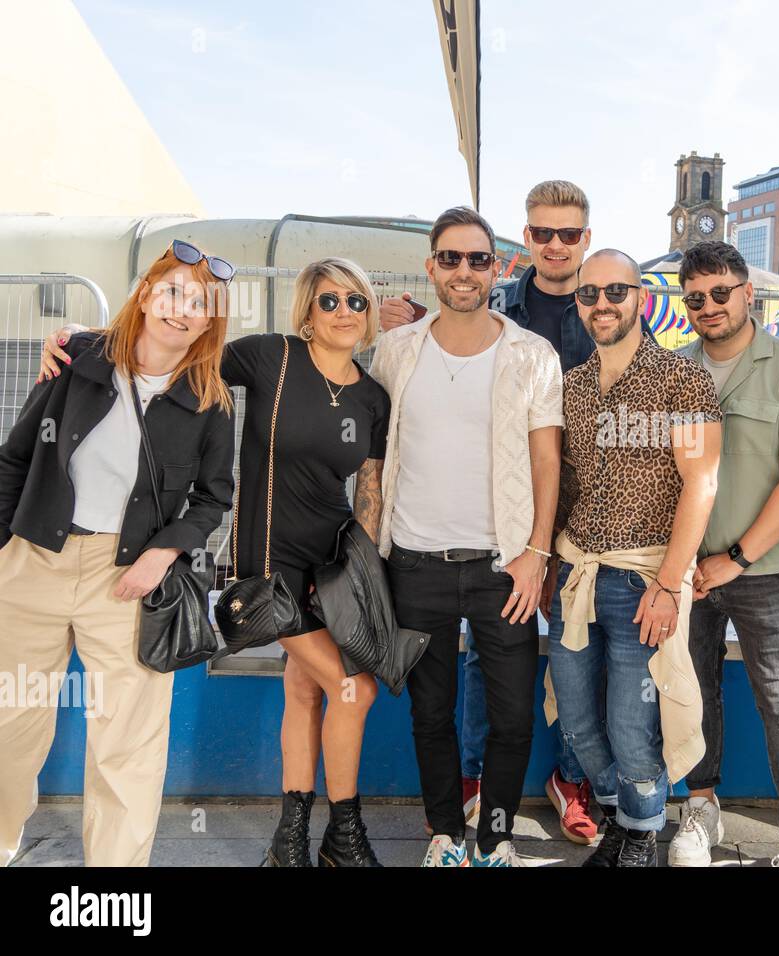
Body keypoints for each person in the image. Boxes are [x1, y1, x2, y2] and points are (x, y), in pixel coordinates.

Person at [39, 255, 393, 868]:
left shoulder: (372, 396)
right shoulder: (272, 358)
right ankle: (344, 837)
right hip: (267, 563)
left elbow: (369, 491)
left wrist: (356, 581)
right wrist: (78, 342)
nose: (343, 311)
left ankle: (289, 844)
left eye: (355, 301)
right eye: (329, 300)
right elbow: (175, 348)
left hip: (331, 566)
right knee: (351, 688)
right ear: (307, 309)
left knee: (308, 693)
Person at [0, 240, 235, 866]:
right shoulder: (77, 359)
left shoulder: (210, 401)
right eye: (173, 292)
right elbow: (14, 459)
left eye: (201, 304)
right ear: (145, 292)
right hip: (33, 561)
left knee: (126, 746)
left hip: (128, 578)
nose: (183, 310)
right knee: (10, 731)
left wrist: (163, 553)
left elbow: (214, 501)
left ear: (212, 321)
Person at [380, 181, 597, 844]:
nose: (464, 271)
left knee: (511, 718)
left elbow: (546, 463)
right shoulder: (395, 351)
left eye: (477, 259)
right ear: (432, 266)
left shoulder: (531, 355)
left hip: (506, 564)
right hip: (415, 564)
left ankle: (496, 836)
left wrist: (535, 554)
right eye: (451, 258)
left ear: (497, 266)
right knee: (431, 714)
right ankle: (447, 835)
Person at [545, 248, 722, 867]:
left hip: (645, 579)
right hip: (575, 577)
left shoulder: (683, 379)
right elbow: (561, 485)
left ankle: (641, 835)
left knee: (632, 723)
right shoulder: (570, 386)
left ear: (640, 298)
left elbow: (701, 483)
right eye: (589, 294)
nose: (602, 304)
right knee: (574, 718)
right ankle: (624, 818)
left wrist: (671, 585)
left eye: (615, 292)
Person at [669, 241, 779, 868]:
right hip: (686, 570)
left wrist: (733, 558)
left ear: (747, 294)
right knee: (692, 691)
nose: (709, 306)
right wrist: (681, 562)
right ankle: (700, 807)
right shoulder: (673, 370)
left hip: (761, 568)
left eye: (720, 293)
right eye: (696, 298)